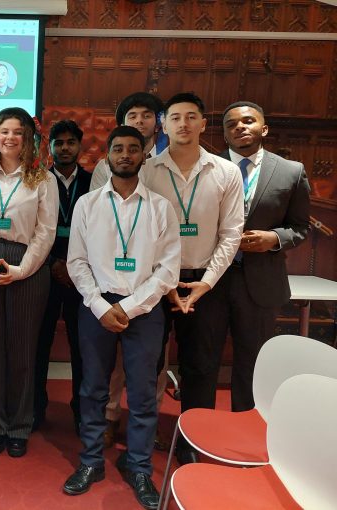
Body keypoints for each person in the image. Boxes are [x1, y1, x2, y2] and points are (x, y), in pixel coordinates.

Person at [63, 125, 180, 510]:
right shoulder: (89, 204)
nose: (126, 154)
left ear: (144, 155)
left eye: (133, 149)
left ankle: (140, 467)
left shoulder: (161, 208)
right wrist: (100, 305)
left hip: (143, 309)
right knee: (93, 389)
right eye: (118, 148)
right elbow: (76, 261)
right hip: (96, 307)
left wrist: (127, 307)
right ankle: (91, 461)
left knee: (144, 394)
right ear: (107, 156)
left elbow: (168, 271)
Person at [139, 92, 243, 465]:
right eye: (176, 117)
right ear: (163, 125)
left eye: (191, 117)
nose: (183, 124)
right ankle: (142, 441)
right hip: (154, 280)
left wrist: (206, 282)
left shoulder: (226, 172)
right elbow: (139, 231)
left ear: (203, 123)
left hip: (206, 283)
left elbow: (231, 233)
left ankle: (194, 445)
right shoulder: (147, 171)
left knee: (202, 366)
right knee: (149, 363)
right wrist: (163, 283)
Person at [0, 107, 59, 458]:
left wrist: (21, 270)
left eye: (18, 132)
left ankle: (19, 425)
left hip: (28, 268)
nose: (10, 138)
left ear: (28, 139)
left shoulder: (42, 179)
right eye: (4, 131)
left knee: (22, 352)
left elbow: (46, 232)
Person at [89, 92, 170, 449]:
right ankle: (108, 416)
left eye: (146, 115)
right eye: (132, 115)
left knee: (149, 365)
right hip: (107, 286)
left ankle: (144, 433)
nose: (139, 120)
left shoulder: (165, 165)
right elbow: (96, 228)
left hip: (149, 283)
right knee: (105, 368)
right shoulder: (105, 169)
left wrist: (140, 297)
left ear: (158, 121)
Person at [220, 101, 311, 411]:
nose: (240, 127)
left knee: (252, 362)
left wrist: (274, 238)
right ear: (224, 134)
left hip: (260, 282)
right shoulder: (206, 166)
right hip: (211, 282)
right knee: (200, 361)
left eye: (248, 121)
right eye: (231, 124)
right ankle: (194, 433)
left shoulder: (290, 172)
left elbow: (300, 227)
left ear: (264, 128)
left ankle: (243, 431)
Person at [33, 119, 91, 433]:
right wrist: (54, 261)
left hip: (82, 276)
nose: (65, 148)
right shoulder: (36, 181)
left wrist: (73, 264)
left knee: (81, 347)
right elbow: (31, 225)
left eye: (71, 142)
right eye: (59, 142)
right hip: (44, 271)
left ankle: (81, 410)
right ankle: (35, 409)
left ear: (79, 146)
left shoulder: (93, 182)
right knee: (39, 343)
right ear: (50, 147)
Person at [90, 92, 165, 190]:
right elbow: (96, 202)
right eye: (133, 117)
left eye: (146, 116)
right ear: (122, 126)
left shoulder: (166, 162)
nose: (139, 121)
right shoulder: (105, 166)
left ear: (158, 126)